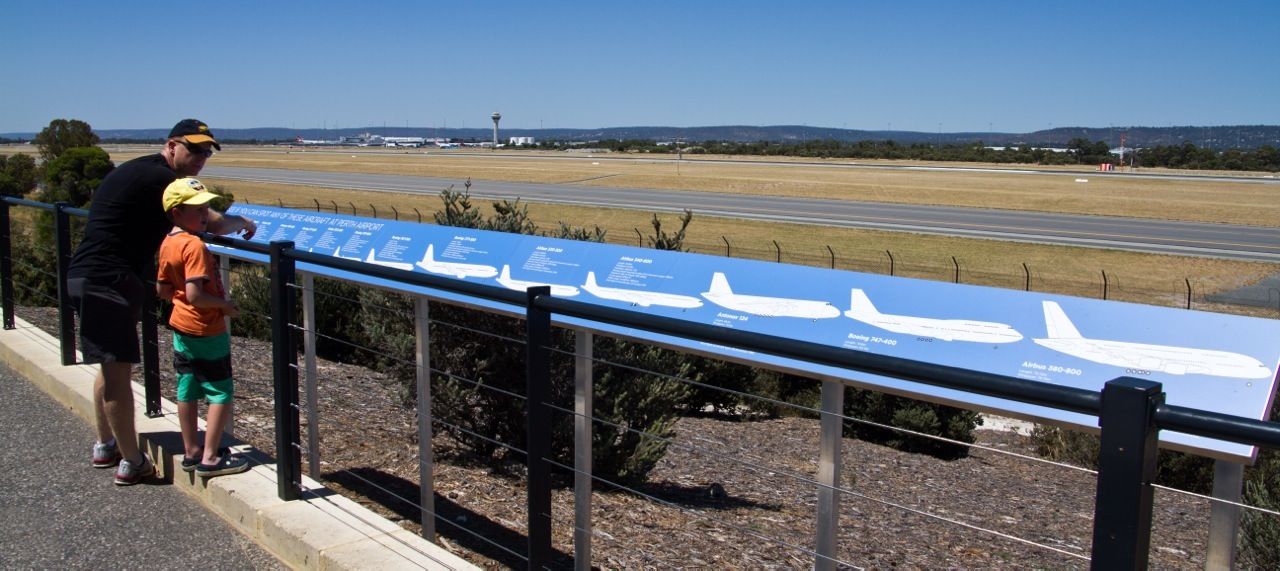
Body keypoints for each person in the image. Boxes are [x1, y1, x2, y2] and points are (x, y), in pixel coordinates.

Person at [67, 119, 256, 486]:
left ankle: (106, 445)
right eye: (194, 149)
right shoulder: (162, 180)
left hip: (88, 275)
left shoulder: (141, 170)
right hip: (110, 280)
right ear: (172, 146)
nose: (201, 157)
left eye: (206, 152)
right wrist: (244, 220)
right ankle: (133, 462)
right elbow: (212, 223)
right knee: (118, 372)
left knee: (108, 365)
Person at [156, 177, 250, 478]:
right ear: (176, 213)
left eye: (206, 206)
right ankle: (210, 458)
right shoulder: (193, 245)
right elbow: (196, 294)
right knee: (220, 390)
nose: (204, 212)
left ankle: (191, 450)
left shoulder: (168, 242)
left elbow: (163, 289)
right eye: (196, 208)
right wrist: (225, 307)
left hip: (180, 326)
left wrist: (181, 304)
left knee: (187, 386)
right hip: (207, 329)